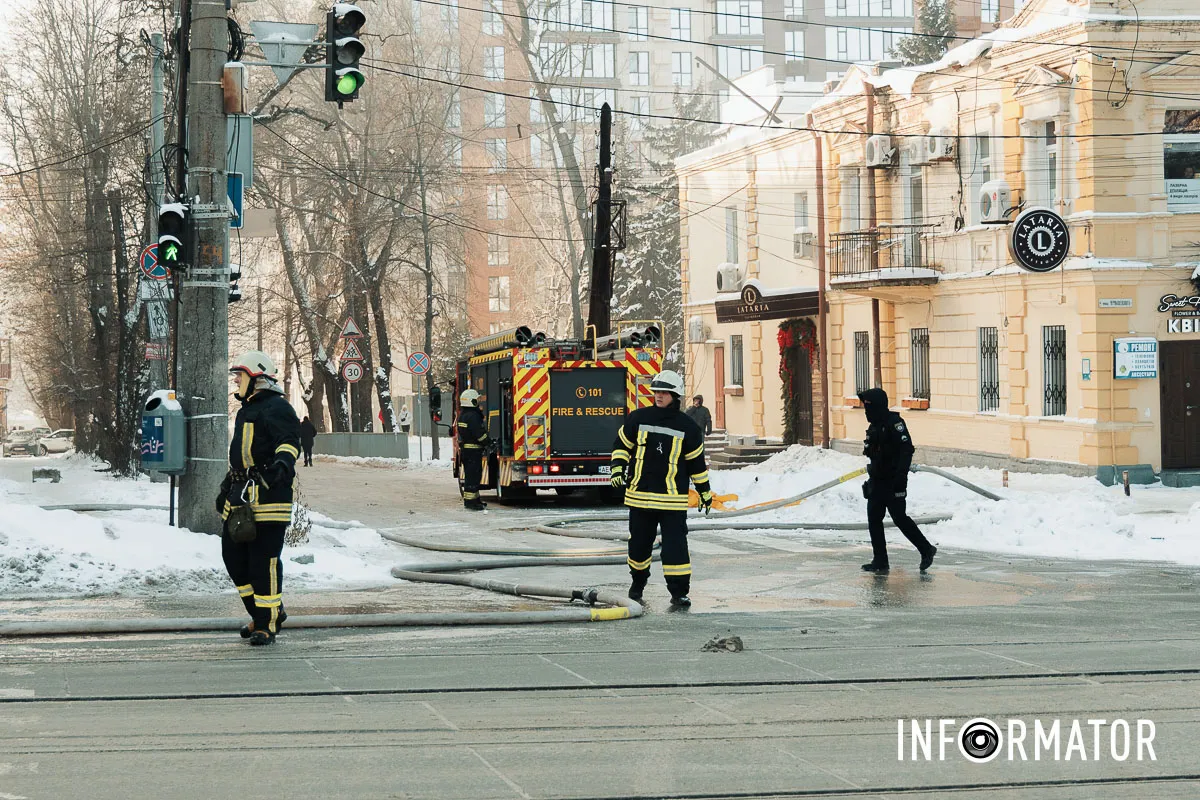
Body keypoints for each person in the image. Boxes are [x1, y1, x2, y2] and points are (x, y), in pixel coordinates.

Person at [216, 350, 301, 646]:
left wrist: (281, 465)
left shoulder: (277, 407)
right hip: (241, 496)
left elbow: (289, 442)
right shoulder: (248, 409)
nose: (236, 380)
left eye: (240, 375)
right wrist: (227, 486)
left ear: (257, 377)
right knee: (234, 558)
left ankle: (267, 623)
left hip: (268, 496)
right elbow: (242, 456)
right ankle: (264, 612)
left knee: (263, 561)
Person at [609, 370, 713, 609]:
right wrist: (617, 469)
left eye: (664, 392)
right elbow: (621, 445)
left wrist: (705, 491)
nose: (658, 395)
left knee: (676, 551)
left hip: (672, 502)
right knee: (638, 547)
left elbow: (696, 464)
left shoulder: (688, 427)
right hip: (640, 498)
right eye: (656, 391)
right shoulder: (638, 418)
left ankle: (679, 593)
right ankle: (637, 586)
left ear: (675, 395)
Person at [857, 387, 937, 575]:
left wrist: (901, 477)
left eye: (869, 405)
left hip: (893, 480)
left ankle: (926, 549)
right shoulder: (874, 425)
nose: (866, 410)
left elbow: (906, 449)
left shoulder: (895, 423)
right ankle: (880, 560)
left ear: (878, 405)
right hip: (877, 479)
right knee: (873, 518)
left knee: (899, 518)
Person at [456, 389, 491, 511]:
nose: (479, 402)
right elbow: (479, 434)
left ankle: (475, 500)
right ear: (471, 401)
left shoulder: (463, 415)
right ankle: (471, 502)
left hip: (467, 451)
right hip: (473, 451)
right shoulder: (473, 416)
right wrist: (488, 442)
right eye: (477, 400)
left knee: (472, 476)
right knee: (474, 477)